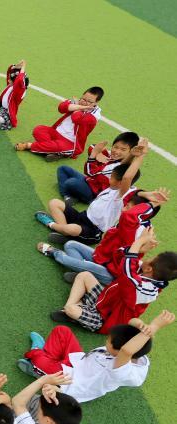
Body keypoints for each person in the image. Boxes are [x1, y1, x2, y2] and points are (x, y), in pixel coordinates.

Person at [18, 310, 172, 403]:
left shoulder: (124, 370)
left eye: (109, 340)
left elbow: (126, 350)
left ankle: (37, 357)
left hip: (70, 381)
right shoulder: (137, 349)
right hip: (78, 361)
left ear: (119, 350)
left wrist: (155, 326)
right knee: (62, 331)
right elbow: (131, 322)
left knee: (39, 360)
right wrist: (140, 326)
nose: (106, 341)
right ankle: (45, 357)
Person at [53, 228, 176, 333]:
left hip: (103, 320)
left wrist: (139, 242)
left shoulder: (146, 290)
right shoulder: (145, 272)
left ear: (149, 269)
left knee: (72, 310)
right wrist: (139, 250)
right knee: (84, 275)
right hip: (102, 300)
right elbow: (119, 256)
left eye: (150, 258)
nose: (147, 258)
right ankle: (71, 306)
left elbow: (128, 270)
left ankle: (71, 309)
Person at [39, 188, 167, 285]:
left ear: (139, 213)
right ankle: (84, 276)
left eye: (128, 207)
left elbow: (128, 259)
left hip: (111, 271)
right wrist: (145, 195)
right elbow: (126, 197)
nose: (123, 208)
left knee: (74, 259)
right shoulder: (132, 221)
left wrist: (151, 205)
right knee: (70, 245)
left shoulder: (138, 229)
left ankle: (55, 253)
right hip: (102, 257)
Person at [35, 141, 146, 245]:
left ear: (120, 183)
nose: (109, 178)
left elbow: (127, 177)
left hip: (92, 230)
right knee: (54, 203)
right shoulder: (112, 187)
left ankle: (51, 224)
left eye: (112, 177)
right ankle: (64, 233)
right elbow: (122, 167)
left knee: (72, 229)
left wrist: (140, 156)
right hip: (82, 216)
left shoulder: (120, 195)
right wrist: (131, 155)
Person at [15, 86, 104, 161]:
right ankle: (54, 152)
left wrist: (77, 107)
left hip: (70, 142)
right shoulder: (79, 102)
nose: (84, 102)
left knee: (58, 146)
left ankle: (28, 146)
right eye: (83, 98)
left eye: (89, 101)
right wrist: (78, 106)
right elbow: (61, 108)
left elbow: (76, 119)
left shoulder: (95, 115)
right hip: (55, 132)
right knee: (38, 130)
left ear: (96, 103)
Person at [57, 132, 139, 205]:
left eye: (123, 149)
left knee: (71, 182)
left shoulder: (118, 167)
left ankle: (71, 195)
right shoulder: (111, 155)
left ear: (130, 152)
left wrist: (93, 155)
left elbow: (90, 172)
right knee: (63, 168)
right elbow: (93, 146)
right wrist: (99, 153)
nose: (117, 151)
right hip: (89, 181)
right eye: (115, 147)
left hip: (94, 192)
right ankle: (69, 196)